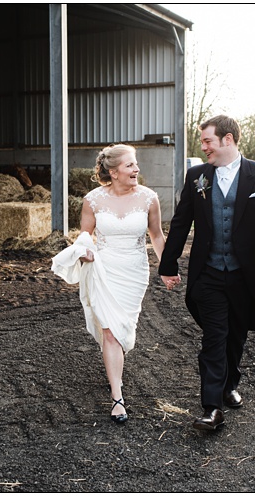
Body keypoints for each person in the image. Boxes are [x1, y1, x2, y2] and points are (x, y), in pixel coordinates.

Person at [158, 114, 255, 432]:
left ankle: (230, 383)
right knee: (214, 337)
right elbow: (180, 222)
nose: (203, 148)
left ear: (227, 139)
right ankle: (212, 407)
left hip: (247, 275)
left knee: (236, 336)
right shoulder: (197, 176)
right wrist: (168, 264)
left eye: (207, 141)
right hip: (210, 273)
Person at [50, 144, 167, 423]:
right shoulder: (93, 200)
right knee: (111, 332)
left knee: (123, 329)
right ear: (113, 172)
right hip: (103, 270)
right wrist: (84, 248)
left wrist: (168, 267)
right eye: (129, 165)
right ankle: (117, 396)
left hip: (134, 272)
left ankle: (115, 367)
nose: (136, 169)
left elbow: (158, 236)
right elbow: (85, 234)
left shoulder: (149, 199)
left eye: (136, 164)